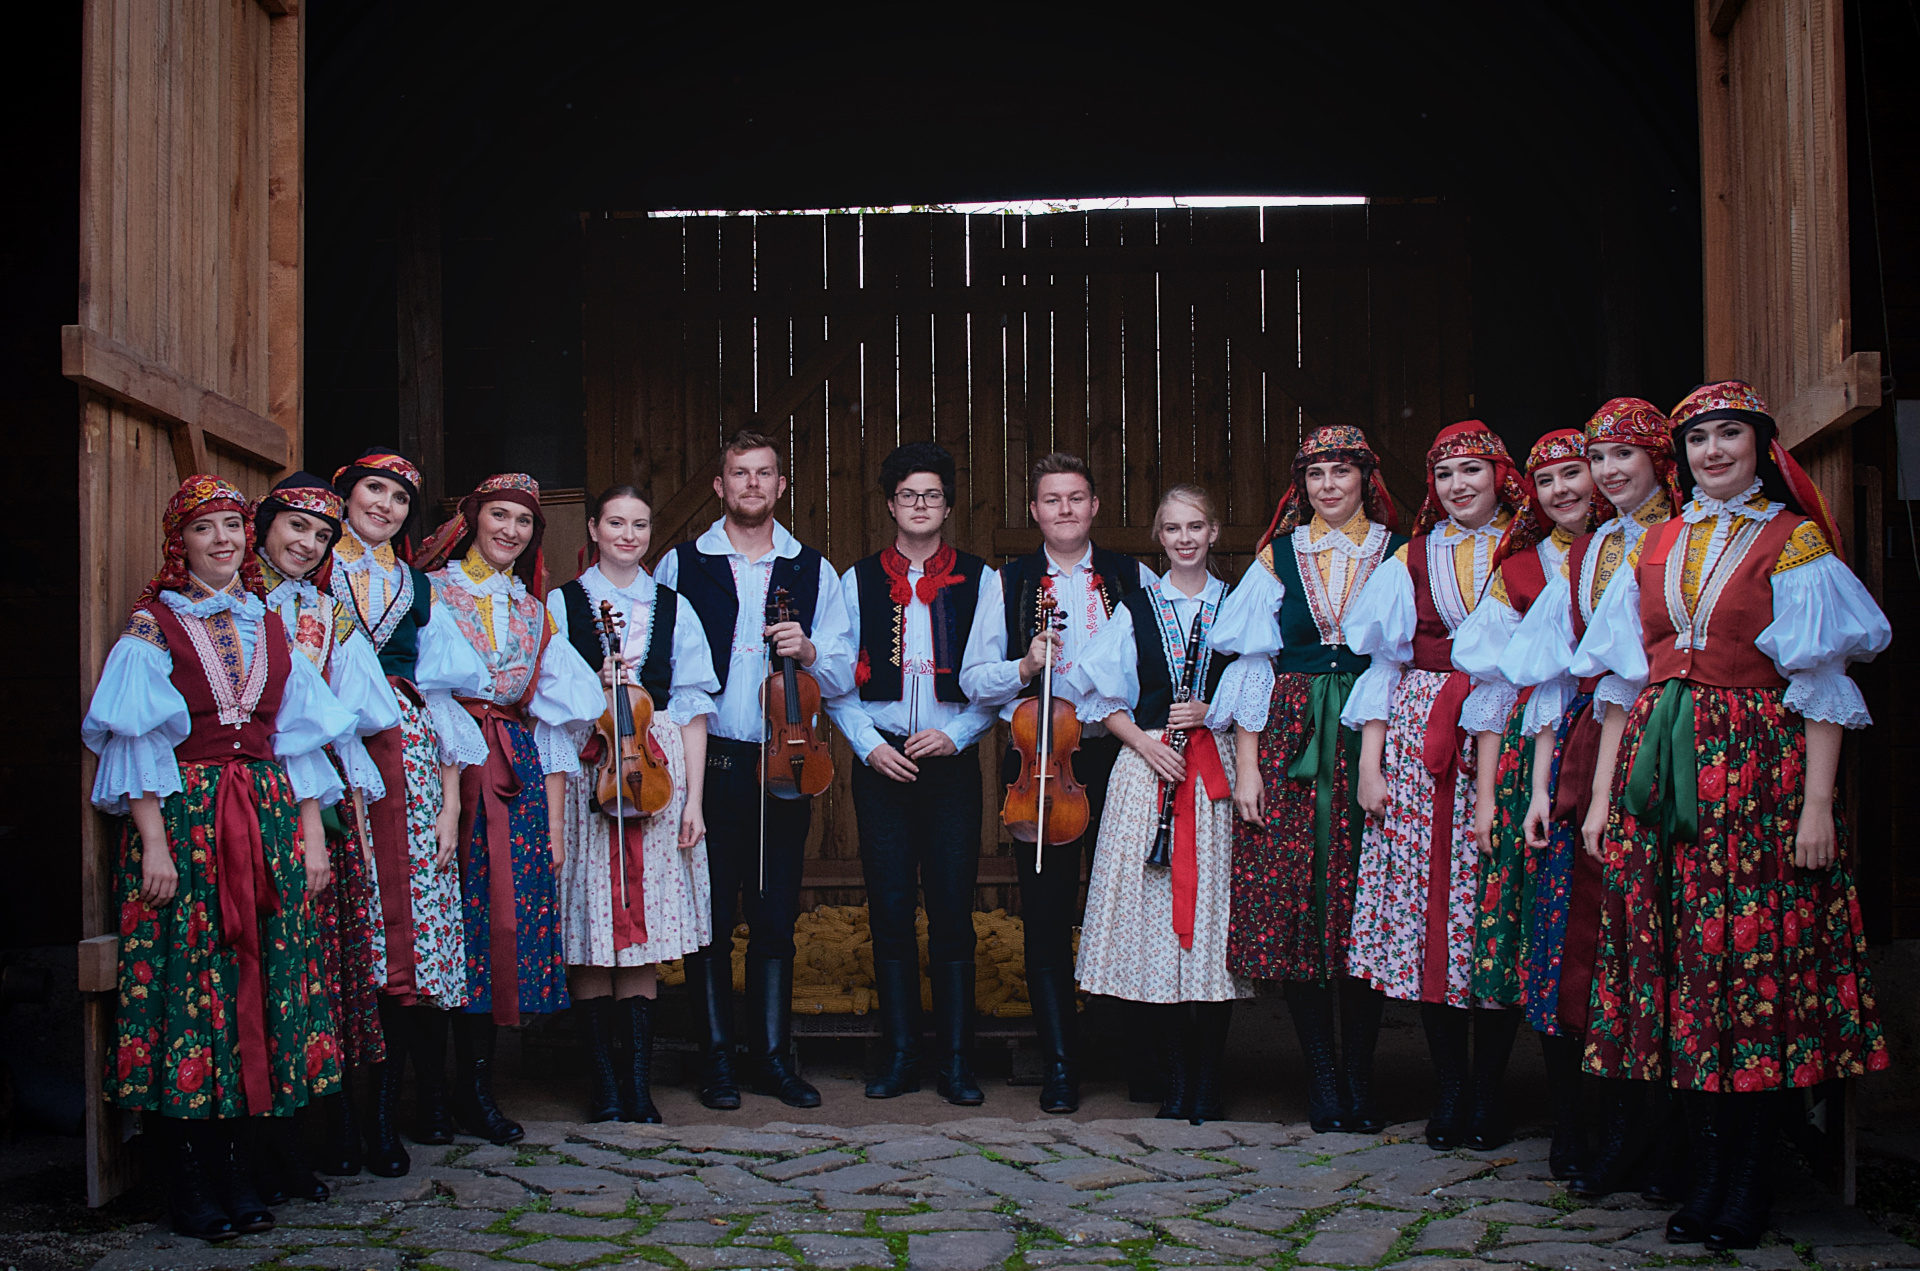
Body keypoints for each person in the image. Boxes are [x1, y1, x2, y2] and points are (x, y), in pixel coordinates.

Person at [1569, 381, 1891, 1250]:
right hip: (1657, 778)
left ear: (1758, 447)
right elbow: (1620, 683)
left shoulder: (1793, 541)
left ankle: (1746, 1180)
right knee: (1679, 968)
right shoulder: (1655, 543)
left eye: (1729, 435)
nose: (1713, 451)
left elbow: (1821, 682)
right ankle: (1704, 1171)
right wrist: (1601, 799)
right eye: (1699, 438)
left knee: (1745, 970)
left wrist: (1816, 805)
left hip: (1754, 778)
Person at [83, 475, 356, 1241]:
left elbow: (298, 739)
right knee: (192, 991)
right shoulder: (154, 627)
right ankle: (189, 1179)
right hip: (189, 823)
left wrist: (310, 835)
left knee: (256, 986)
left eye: (233, 526)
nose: (223, 540)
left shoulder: (270, 624)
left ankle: (241, 1170)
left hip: (266, 820)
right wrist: (154, 840)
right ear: (181, 543)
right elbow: (138, 737)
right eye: (205, 528)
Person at [1497, 397, 1686, 1192]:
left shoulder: (1682, 536)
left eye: (1619, 456)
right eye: (1596, 457)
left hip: (1665, 740)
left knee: (1651, 942)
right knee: (1569, 942)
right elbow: (1555, 673)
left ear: (1657, 460)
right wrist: (1543, 789)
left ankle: (1657, 1136)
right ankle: (1584, 1127)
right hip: (1585, 748)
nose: (1606, 473)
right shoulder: (1592, 549)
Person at [1339, 420, 1533, 1150]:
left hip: (1509, 731)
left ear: (1500, 477)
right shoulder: (1413, 557)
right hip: (1422, 742)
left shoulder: (1530, 551)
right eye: (1445, 474)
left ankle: (1490, 1090)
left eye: (1471, 471)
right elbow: (1384, 663)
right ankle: (1451, 1090)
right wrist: (1370, 765)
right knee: (1430, 916)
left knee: (1491, 909)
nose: (1458, 486)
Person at [1207, 425, 1404, 1133]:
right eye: (1316, 473)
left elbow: (1396, 659)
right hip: (1290, 737)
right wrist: (1248, 767)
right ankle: (1322, 1074)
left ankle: (1360, 1076)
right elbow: (1253, 662)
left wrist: (1377, 759)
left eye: (1340, 471)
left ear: (1364, 479)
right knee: (1298, 898)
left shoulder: (1396, 554)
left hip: (1370, 733)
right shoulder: (1278, 556)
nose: (1328, 485)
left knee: (1361, 900)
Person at [655, 428, 856, 1110]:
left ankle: (771, 1058)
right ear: (720, 485)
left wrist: (811, 649)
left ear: (781, 486)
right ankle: (716, 1062)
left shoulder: (812, 568)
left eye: (764, 473)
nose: (752, 484)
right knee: (707, 918)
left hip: (786, 759)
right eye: (740, 473)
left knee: (774, 918)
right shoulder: (683, 564)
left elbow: (842, 670)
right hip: (708, 762)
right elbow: (660, 664)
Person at [960, 452, 1154, 1114]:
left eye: (1076, 497)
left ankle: (1139, 1059)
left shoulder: (1132, 576)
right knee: (1045, 917)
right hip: (1041, 764)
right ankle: (1062, 1065)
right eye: (1052, 499)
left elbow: (1158, 663)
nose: (1065, 509)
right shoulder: (1007, 581)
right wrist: (1023, 665)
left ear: (1094, 506)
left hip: (1119, 758)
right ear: (1035, 511)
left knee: (1129, 908)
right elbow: (974, 679)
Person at [419, 473, 604, 1143]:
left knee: (498, 926)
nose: (511, 530)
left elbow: (553, 719)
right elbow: (426, 691)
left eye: (524, 521)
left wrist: (553, 824)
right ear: (473, 518)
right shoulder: (432, 592)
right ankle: (426, 1094)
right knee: (442, 922)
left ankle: (475, 1090)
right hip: (444, 767)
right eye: (500, 515)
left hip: (515, 773)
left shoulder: (534, 611)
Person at [330, 448, 488, 1177]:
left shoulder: (417, 589)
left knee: (407, 943)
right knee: (345, 935)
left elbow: (445, 701)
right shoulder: (309, 572)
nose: (385, 506)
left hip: (410, 762)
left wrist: (450, 805)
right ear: (345, 494)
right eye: (374, 489)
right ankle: (336, 1124)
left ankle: (387, 1117)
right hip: (329, 753)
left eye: (399, 498)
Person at [826, 443, 998, 1105]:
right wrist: (870, 746)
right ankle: (900, 1055)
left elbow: (992, 683)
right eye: (908, 495)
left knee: (953, 911)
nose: (920, 505)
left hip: (950, 764)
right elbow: (834, 684)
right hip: (883, 763)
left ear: (947, 506)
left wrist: (956, 735)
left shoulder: (981, 579)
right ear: (891, 505)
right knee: (891, 909)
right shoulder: (856, 580)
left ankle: (956, 1062)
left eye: (931, 495)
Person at [1070, 484, 1245, 1124]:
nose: (1184, 538)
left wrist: (1212, 710)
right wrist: (1147, 744)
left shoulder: (1239, 605)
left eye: (1195, 526)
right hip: (1149, 775)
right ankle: (1175, 1080)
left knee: (1210, 926)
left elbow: (1261, 690)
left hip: (1216, 771)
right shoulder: (1137, 608)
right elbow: (1101, 700)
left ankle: (1209, 1081)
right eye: (1172, 528)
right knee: (1155, 929)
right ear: (1159, 537)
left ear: (1214, 532)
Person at [1450, 428, 1603, 1157]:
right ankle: (1509, 1100)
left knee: (1597, 929)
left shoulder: (1641, 549)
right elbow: (1492, 694)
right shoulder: (1518, 569)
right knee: (1523, 926)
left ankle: (1612, 1116)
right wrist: (1486, 799)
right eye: (1547, 480)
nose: (1562, 490)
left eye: (1574, 473)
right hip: (1528, 768)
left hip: (1618, 747)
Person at [252, 473, 402, 1199]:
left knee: (314, 967)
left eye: (321, 534)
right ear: (264, 525)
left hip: (314, 798)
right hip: (246, 792)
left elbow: (364, 707)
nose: (308, 544)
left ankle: (316, 1132)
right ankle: (258, 1144)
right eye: (296, 527)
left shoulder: (326, 612)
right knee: (257, 962)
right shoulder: (232, 601)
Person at [549, 485, 718, 1124]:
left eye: (640, 524)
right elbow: (546, 706)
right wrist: (588, 688)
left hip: (657, 773)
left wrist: (694, 801)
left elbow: (694, 710)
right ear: (593, 528)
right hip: (589, 771)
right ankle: (604, 1086)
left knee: (643, 934)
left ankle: (638, 1085)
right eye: (615, 522)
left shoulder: (674, 606)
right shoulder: (563, 603)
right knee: (593, 925)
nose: (628, 534)